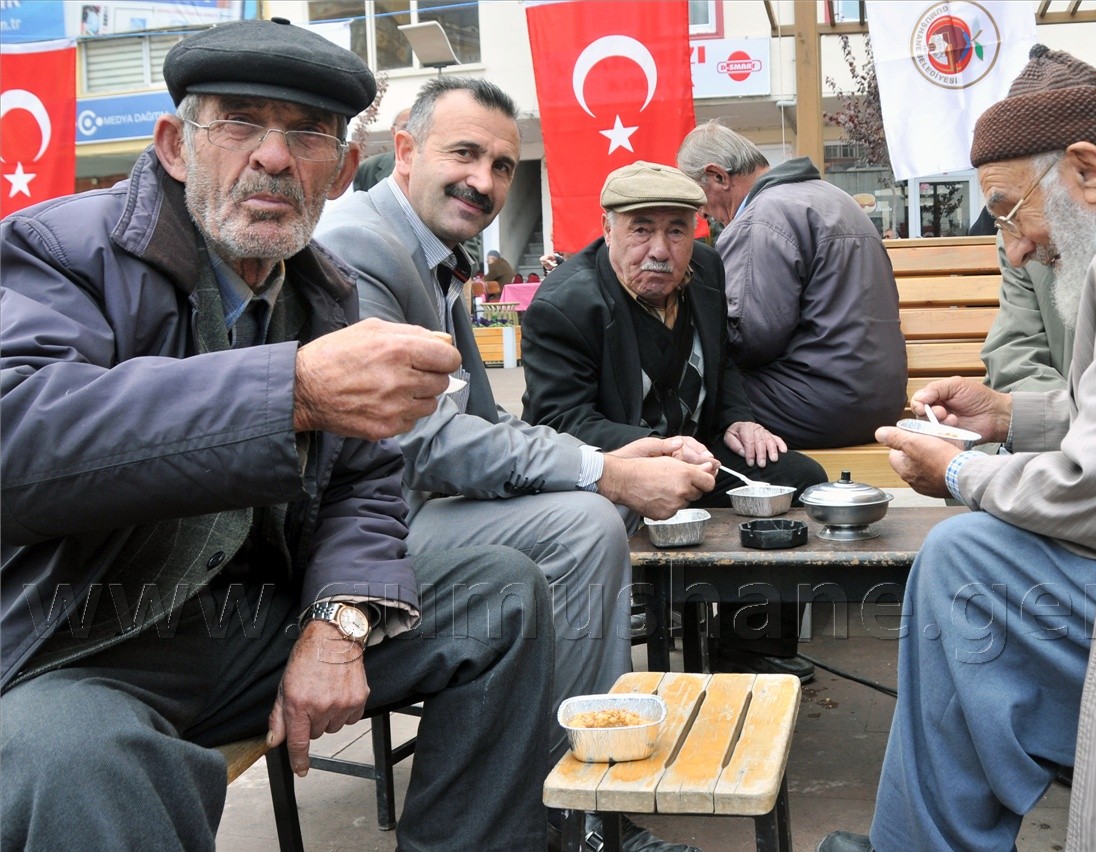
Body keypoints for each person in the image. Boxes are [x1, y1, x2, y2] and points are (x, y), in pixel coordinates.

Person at [0, 19, 554, 851]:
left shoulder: (324, 292)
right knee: (73, 760)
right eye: (239, 123)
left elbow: (364, 482)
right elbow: (19, 442)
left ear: (341, 171)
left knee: (501, 594)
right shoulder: (63, 249)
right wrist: (290, 391)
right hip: (83, 641)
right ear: (175, 147)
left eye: (307, 134)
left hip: (251, 623)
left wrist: (339, 618)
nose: (273, 157)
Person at [820, 45, 1096, 852]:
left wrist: (959, 471)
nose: (1015, 248)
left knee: (966, 568)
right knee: (970, 572)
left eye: (1006, 212)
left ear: (1087, 170)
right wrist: (1006, 417)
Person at [315, 78, 713, 852]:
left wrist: (606, 458)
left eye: (501, 165)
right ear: (405, 150)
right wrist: (601, 470)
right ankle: (582, 811)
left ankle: (572, 788)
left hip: (406, 509)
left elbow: (486, 420)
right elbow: (422, 441)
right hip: (354, 541)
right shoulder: (363, 247)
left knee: (594, 509)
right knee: (585, 521)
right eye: (464, 153)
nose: (485, 180)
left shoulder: (432, 252)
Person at [521, 161, 829, 682]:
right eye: (641, 230)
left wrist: (738, 418)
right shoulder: (564, 306)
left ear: (697, 232)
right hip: (615, 471)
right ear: (607, 229)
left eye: (677, 231)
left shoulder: (706, 269)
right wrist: (658, 450)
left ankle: (749, 645)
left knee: (794, 478)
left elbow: (724, 361)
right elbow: (560, 421)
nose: (660, 250)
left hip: (697, 451)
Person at [676, 120, 907, 449]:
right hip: (882, 401)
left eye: (699, 201)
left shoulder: (761, 217)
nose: (702, 214)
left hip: (823, 404)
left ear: (718, 176)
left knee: (687, 393)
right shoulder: (835, 197)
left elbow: (751, 339)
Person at [981, 236, 1071, 392]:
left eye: (1018, 223)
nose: (1014, 257)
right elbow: (1014, 352)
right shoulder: (1016, 242)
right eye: (1002, 224)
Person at [352, 106, 409, 192]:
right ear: (393, 131)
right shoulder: (368, 169)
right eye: (406, 126)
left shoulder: (429, 167)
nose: (413, 131)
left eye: (419, 127)